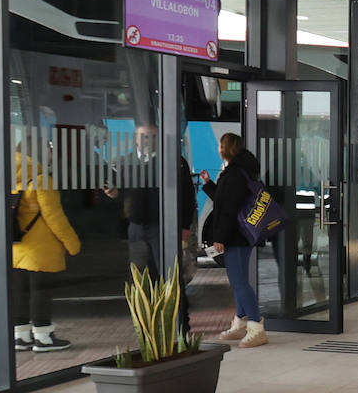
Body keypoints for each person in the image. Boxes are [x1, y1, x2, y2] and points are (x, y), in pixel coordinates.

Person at [104, 123, 197, 332]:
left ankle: (180, 324)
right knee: (140, 277)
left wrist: (184, 228)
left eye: (153, 137)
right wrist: (113, 194)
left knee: (170, 277)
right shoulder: (126, 162)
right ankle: (148, 326)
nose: (148, 141)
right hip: (136, 228)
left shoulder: (172, 161)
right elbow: (119, 192)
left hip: (164, 228)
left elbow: (187, 197)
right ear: (136, 139)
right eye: (144, 137)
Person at [12, 139, 80, 352]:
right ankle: (44, 337)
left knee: (21, 292)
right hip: (41, 248)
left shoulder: (13, 176)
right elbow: (54, 217)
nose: (52, 152)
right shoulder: (41, 179)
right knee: (41, 291)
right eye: (49, 149)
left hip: (18, 246)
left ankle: (21, 336)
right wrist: (73, 243)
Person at [200, 133, 267, 349]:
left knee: (239, 282)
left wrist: (220, 237)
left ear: (228, 148)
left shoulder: (236, 173)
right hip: (242, 234)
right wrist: (209, 184)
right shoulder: (241, 170)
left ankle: (256, 327)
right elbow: (224, 198)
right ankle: (240, 322)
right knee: (239, 281)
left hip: (236, 236)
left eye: (221, 145)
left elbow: (228, 209)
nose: (219, 148)